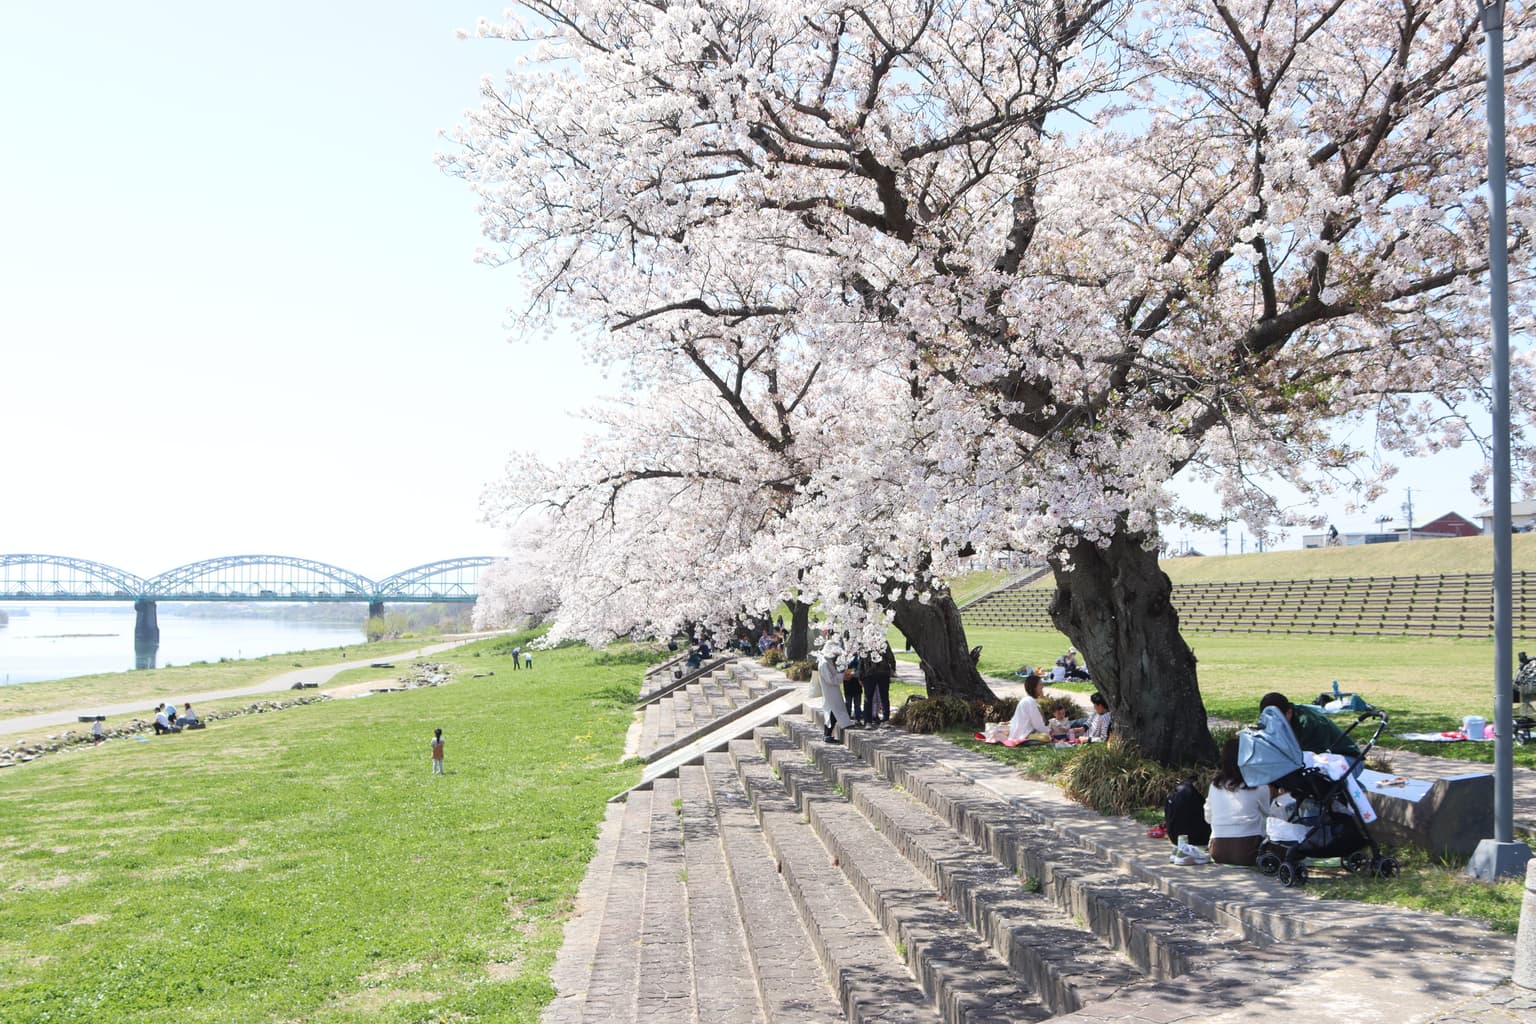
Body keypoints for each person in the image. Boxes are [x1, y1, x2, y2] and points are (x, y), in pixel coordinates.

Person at [1203, 736, 1271, 865]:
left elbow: (1208, 817)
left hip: (1218, 851)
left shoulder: (1215, 786)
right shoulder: (1259, 785)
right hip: (1249, 851)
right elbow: (1269, 812)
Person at [1259, 692, 1362, 774]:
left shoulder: (1308, 723)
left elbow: (1313, 760)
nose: (1272, 723)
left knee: (1313, 778)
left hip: (1347, 760)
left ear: (1289, 713)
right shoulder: (1276, 723)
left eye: (1277, 718)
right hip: (1322, 759)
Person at [814, 645, 854, 743]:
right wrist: (842, 676)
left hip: (832, 690)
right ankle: (827, 734)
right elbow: (830, 679)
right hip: (830, 690)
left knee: (833, 711)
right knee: (832, 711)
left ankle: (827, 734)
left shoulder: (826, 661)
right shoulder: (824, 663)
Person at [1007, 674, 1050, 742]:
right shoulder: (1029, 701)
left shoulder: (1028, 700)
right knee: (1045, 737)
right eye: (1040, 685)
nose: (1042, 687)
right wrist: (1049, 731)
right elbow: (1038, 725)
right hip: (1024, 735)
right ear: (1034, 687)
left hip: (1022, 733)